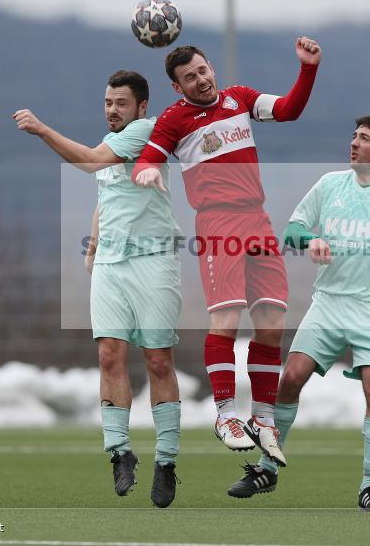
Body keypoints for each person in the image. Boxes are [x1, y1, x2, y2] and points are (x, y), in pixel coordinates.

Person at [227, 114, 370, 508]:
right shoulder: (330, 184)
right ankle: (267, 468)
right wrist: (310, 240)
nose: (353, 143)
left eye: (363, 138)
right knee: (291, 377)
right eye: (353, 135)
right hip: (328, 304)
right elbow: (292, 230)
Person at [131, 38, 322, 468]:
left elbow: (289, 109)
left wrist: (307, 69)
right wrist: (145, 173)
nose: (200, 80)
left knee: (273, 322)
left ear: (211, 67)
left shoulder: (239, 98)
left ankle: (264, 418)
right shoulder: (174, 120)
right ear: (177, 88)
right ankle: (224, 414)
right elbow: (147, 159)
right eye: (189, 78)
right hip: (217, 223)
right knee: (227, 320)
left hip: (257, 218)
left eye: (203, 71)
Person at [12, 70, 184, 508]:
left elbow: (89, 162)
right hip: (111, 262)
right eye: (108, 102)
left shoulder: (145, 131)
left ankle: (166, 462)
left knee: (159, 361)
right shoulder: (115, 143)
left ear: (141, 107)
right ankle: (119, 451)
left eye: (121, 103)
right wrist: (91, 248)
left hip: (154, 261)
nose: (112, 109)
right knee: (109, 353)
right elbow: (106, 192)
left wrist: (41, 128)